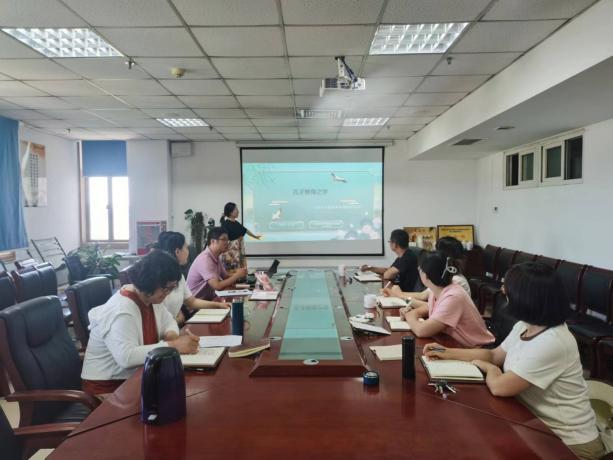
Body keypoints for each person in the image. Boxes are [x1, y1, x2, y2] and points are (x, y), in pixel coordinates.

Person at [423, 262, 606, 460]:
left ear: (525, 298)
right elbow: (494, 355)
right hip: (536, 424)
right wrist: (447, 352)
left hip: (568, 442)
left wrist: (490, 369)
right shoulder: (525, 325)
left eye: (508, 289)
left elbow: (500, 387)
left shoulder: (553, 341)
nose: (503, 291)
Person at [81, 250, 200, 394]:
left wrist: (172, 335)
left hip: (138, 377)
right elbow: (127, 357)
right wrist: (174, 346)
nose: (168, 293)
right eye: (166, 288)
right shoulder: (122, 310)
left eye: (171, 288)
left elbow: (169, 321)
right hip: (108, 388)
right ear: (150, 282)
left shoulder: (151, 298)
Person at [399, 250, 493, 347]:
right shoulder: (437, 290)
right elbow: (429, 308)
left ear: (425, 276)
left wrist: (409, 316)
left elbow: (421, 331)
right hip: (455, 345)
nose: (418, 269)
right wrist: (412, 312)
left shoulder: (453, 296)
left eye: (420, 269)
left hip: (477, 349)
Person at [156, 231, 229, 324]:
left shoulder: (179, 276)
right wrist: (178, 320)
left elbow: (192, 302)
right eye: (186, 248)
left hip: (175, 326)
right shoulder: (159, 278)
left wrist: (218, 305)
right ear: (177, 252)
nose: (188, 251)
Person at [384, 236, 470, 309]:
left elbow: (430, 307)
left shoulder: (455, 280)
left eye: (436, 251)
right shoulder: (445, 276)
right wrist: (395, 293)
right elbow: (423, 295)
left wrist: (400, 295)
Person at [186, 227, 247, 301]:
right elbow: (217, 286)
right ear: (213, 241)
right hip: (196, 304)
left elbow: (225, 277)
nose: (227, 243)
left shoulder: (216, 257)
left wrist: (239, 273)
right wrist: (237, 275)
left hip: (208, 300)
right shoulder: (205, 259)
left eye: (227, 240)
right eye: (224, 239)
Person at [219, 202, 260, 274]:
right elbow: (223, 240)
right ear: (231, 212)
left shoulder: (236, 223)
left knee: (240, 271)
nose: (238, 211)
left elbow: (245, 230)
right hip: (231, 254)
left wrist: (255, 236)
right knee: (232, 272)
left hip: (239, 252)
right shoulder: (225, 224)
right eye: (236, 209)